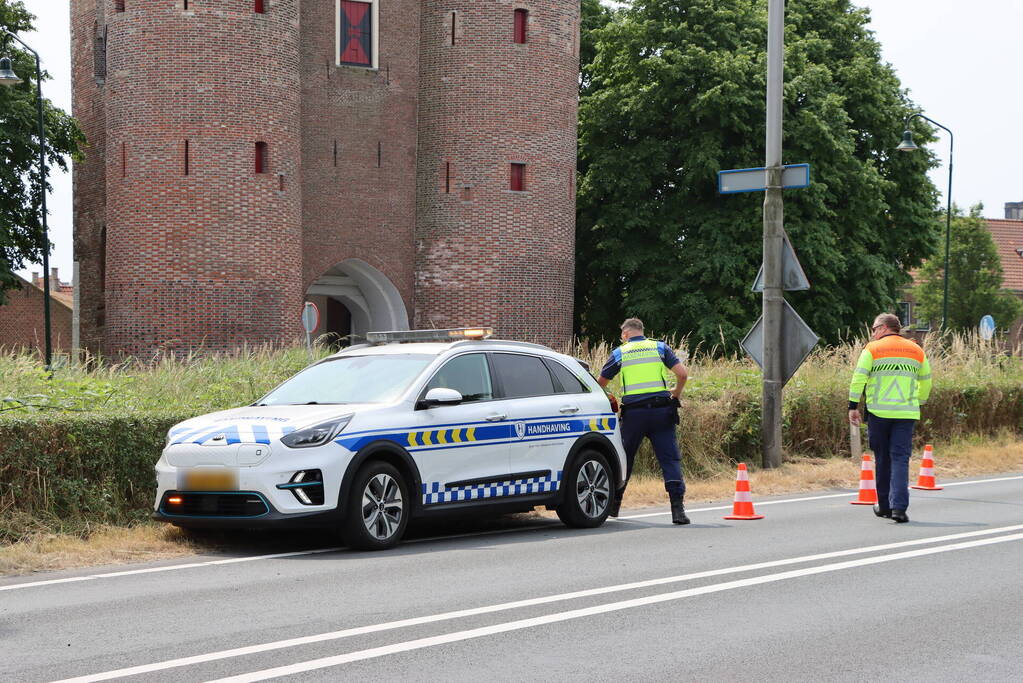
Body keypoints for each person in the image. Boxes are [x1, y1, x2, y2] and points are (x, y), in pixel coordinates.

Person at [598, 318, 690, 524]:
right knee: (669, 460)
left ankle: (614, 505)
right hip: (661, 412)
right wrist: (675, 393)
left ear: (625, 334)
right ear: (642, 331)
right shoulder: (659, 347)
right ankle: (678, 511)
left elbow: (600, 383)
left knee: (624, 458)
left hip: (634, 415)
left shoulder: (620, 352)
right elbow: (682, 374)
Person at [848, 313, 931, 523]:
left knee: (883, 458)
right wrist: (917, 401)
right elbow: (926, 381)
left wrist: (853, 406)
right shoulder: (916, 350)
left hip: (878, 413)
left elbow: (859, 378)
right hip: (906, 414)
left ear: (884, 328)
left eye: (874, 328)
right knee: (900, 459)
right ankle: (899, 509)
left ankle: (884, 506)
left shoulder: (872, 349)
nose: (873, 332)